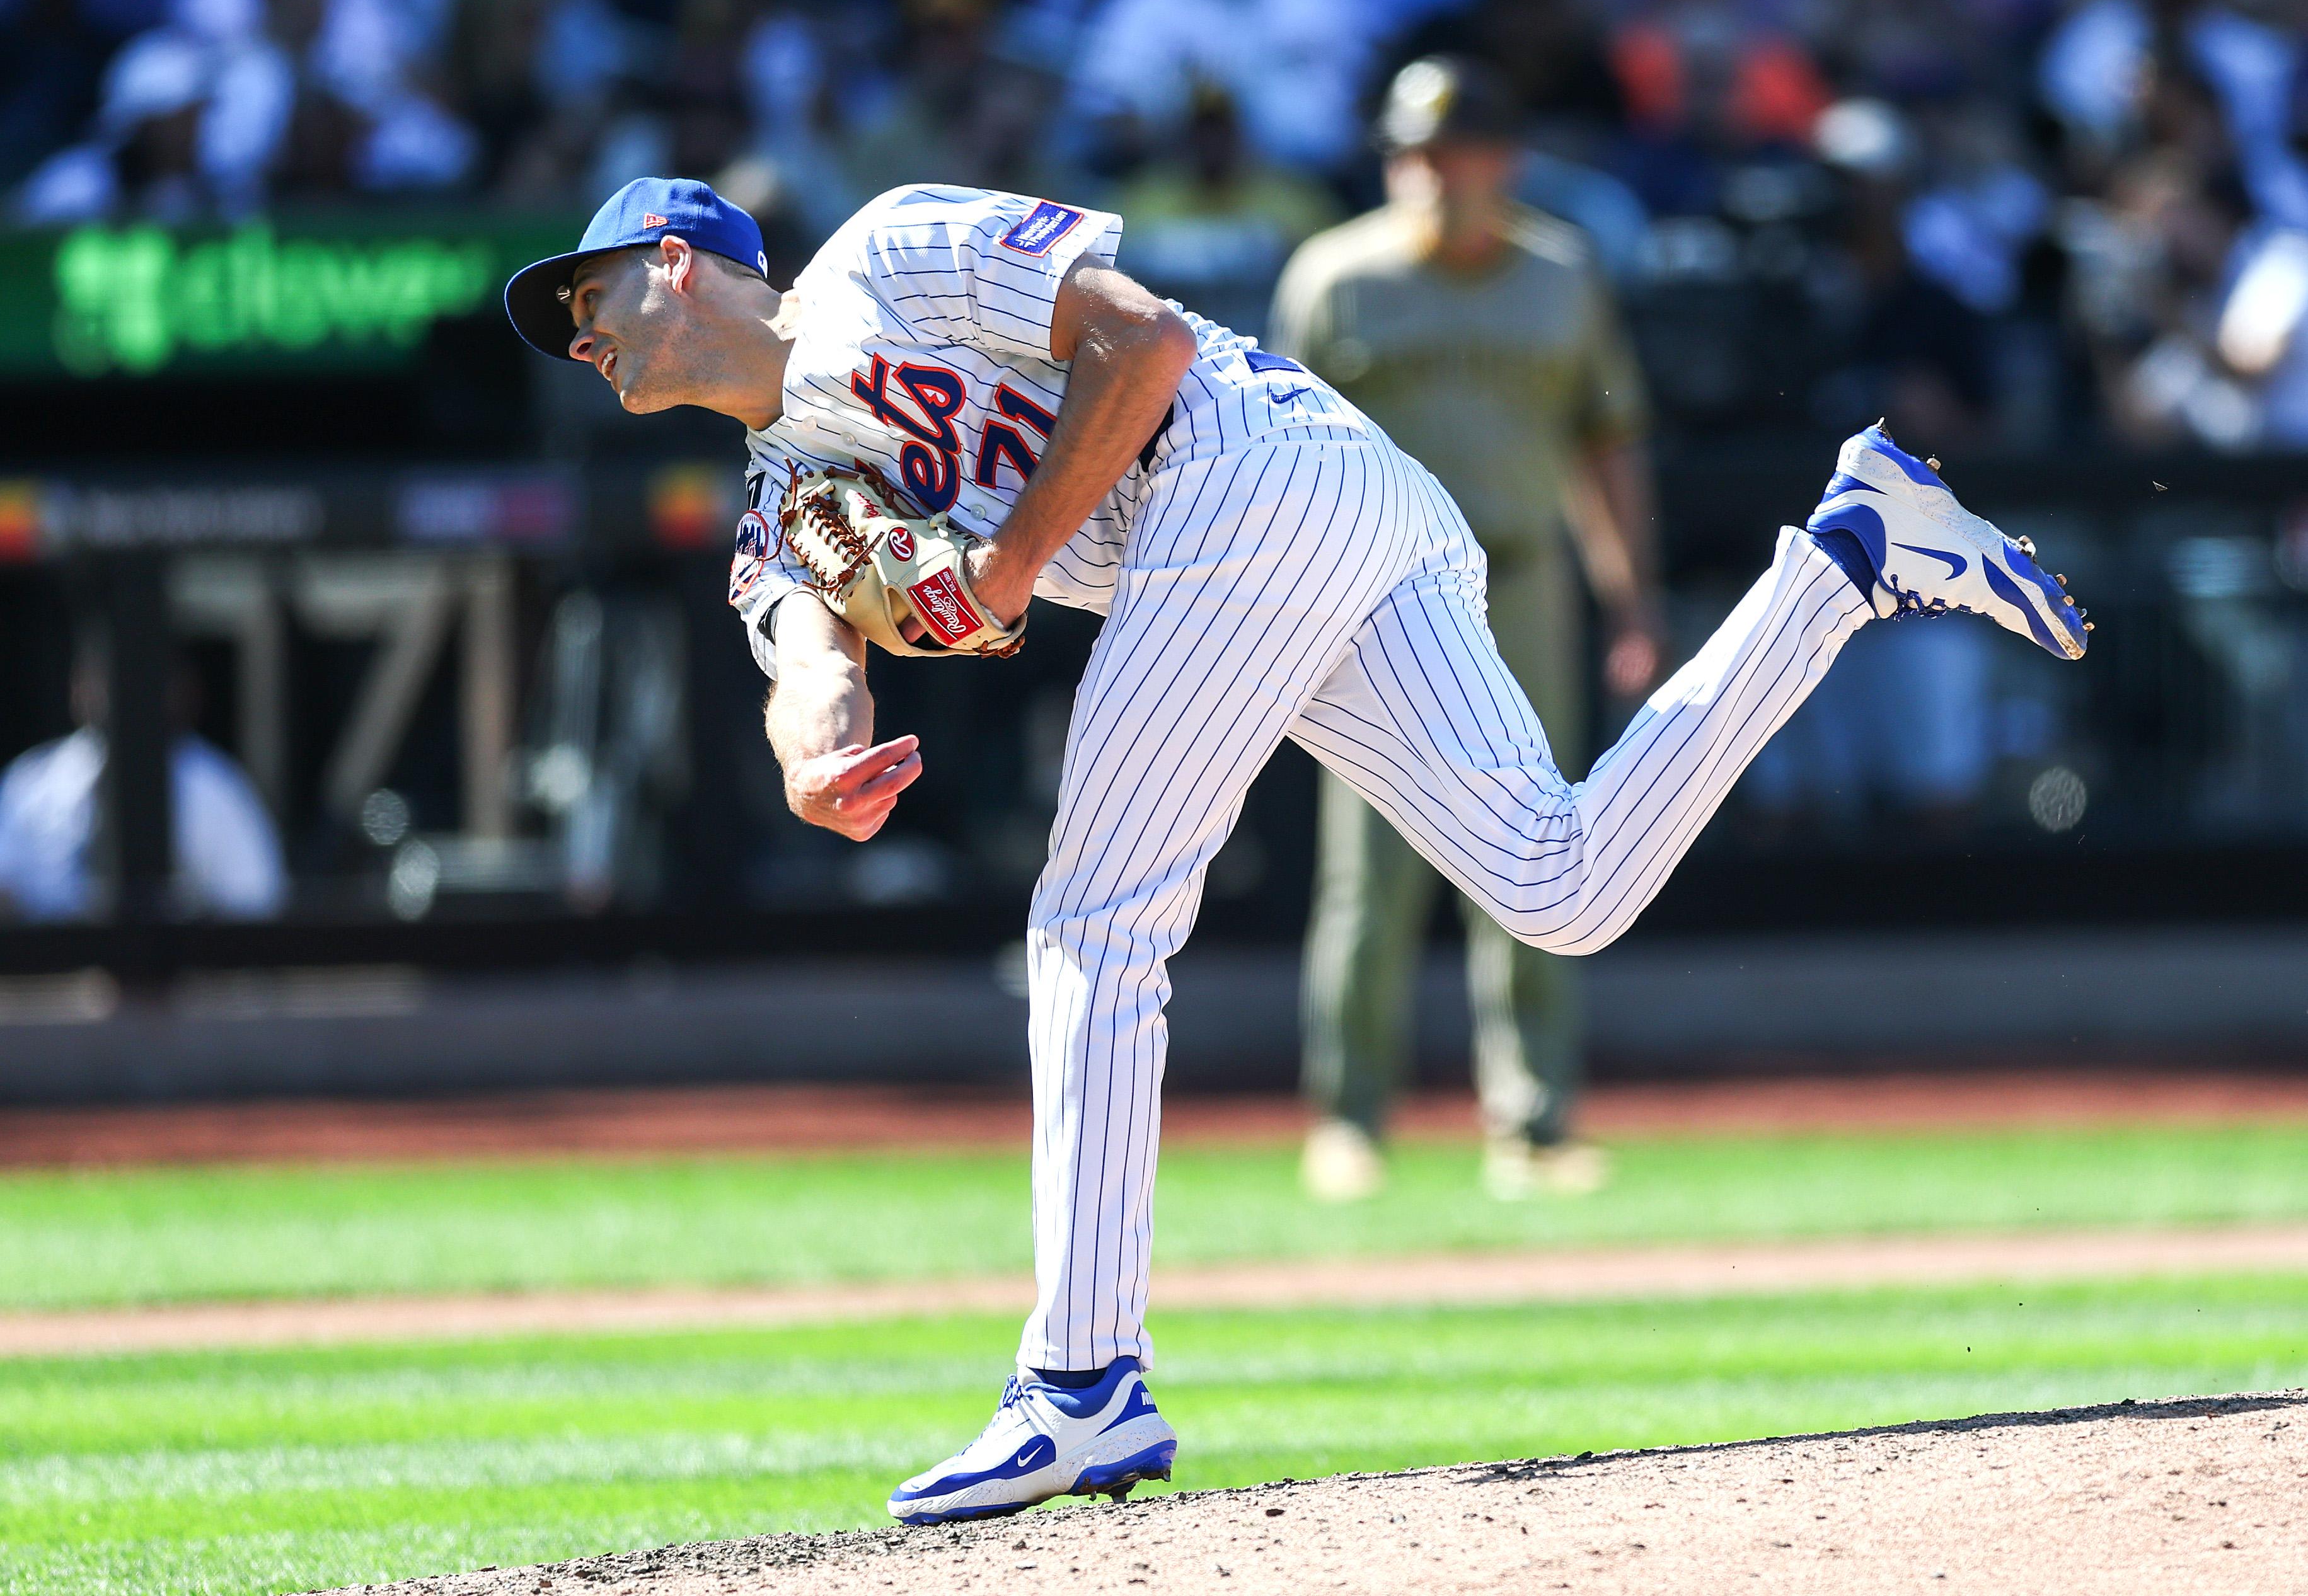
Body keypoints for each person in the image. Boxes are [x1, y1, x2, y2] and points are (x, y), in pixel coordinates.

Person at [501, 173, 2087, 1525]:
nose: (577, 339)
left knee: (1093, 921)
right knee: (1562, 886)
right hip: (1315, 522)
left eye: (585, 297)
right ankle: (1852, 550)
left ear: (674, 262)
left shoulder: (890, 249)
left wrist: (1005, 564)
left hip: (1251, 463)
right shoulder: (781, 492)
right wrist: (819, 763)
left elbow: (1143, 342)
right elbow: (802, 658)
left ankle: (1079, 1380)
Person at [1272, 58, 1661, 1205]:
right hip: (1377, 592)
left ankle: (1533, 1123)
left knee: (1543, 845)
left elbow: (1610, 437)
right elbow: (1270, 454)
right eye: (1416, 153)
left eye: (1460, 152)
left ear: (1508, 159)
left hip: (1526, 573)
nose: (1437, 173)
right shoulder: (1334, 277)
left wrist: (1631, 595)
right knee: (1371, 868)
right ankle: (1349, 1118)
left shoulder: (1560, 270)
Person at [0, 648, 286, 921]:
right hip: (49, 980)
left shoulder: (216, 786)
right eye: (99, 678)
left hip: (176, 982)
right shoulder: (31, 780)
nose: (113, 692)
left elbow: (256, 903)